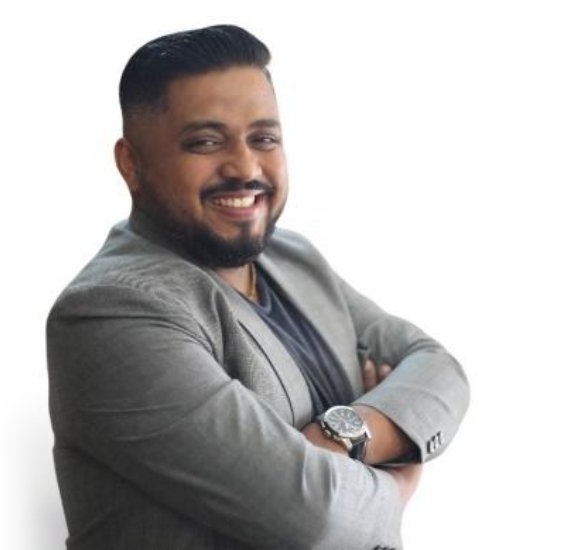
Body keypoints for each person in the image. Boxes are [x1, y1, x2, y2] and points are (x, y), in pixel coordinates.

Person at [47, 24, 469, 550]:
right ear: (131, 163)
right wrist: (398, 480)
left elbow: (437, 366)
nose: (245, 167)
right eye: (205, 142)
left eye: (264, 138)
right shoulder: (110, 314)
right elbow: (314, 515)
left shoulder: (294, 259)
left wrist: (350, 434)